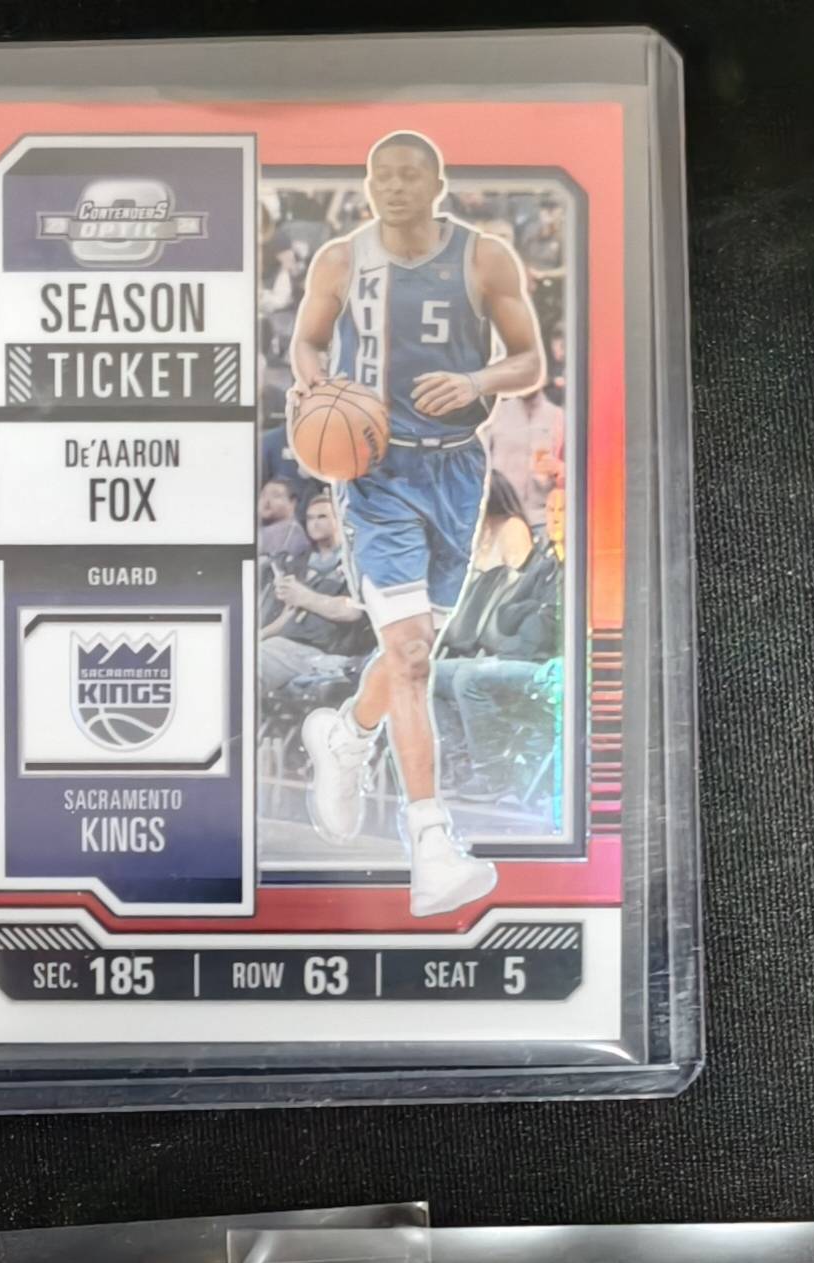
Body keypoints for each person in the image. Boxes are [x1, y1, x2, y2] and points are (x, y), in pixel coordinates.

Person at [285, 134, 548, 918]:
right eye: (381, 176)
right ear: (368, 185)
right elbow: (307, 340)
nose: (393, 186)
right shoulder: (340, 259)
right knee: (409, 656)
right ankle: (430, 845)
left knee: (414, 652)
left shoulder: (484, 257)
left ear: (437, 183)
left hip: (457, 470)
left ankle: (347, 735)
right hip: (374, 472)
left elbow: (529, 361)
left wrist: (474, 378)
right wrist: (315, 385)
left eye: (408, 175)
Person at [260, 491, 374, 724]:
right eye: (310, 518)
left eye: (322, 516)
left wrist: (304, 596)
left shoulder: (356, 562)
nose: (315, 523)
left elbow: (352, 610)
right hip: (283, 645)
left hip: (321, 652)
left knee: (247, 668)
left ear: (340, 519)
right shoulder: (299, 563)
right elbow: (287, 616)